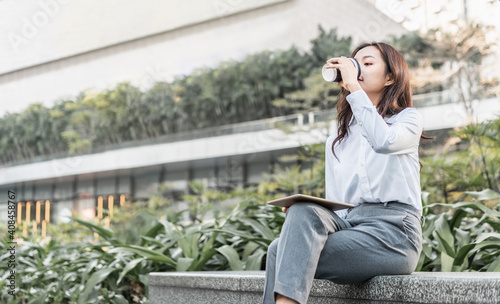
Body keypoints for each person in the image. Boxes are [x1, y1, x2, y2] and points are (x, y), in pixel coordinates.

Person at [262, 42, 424, 304]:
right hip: (352, 227)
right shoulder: (338, 140)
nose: (357, 69)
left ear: (391, 77)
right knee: (284, 238)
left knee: (282, 253)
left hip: (394, 234)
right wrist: (301, 219)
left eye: (367, 64)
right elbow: (339, 210)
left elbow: (383, 141)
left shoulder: (407, 120)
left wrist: (355, 88)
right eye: (354, 63)